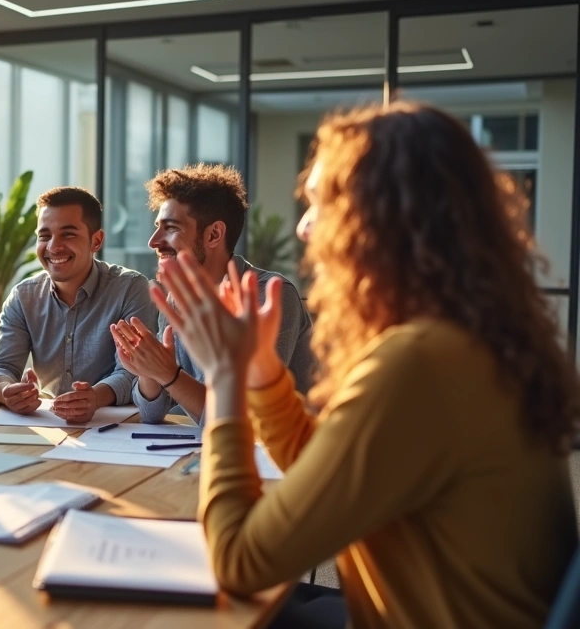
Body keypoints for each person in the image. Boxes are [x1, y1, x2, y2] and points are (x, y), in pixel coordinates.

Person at [154, 101, 579, 628]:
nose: (306, 228)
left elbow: (241, 561)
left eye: (321, 204)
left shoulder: (420, 362)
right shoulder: (465, 340)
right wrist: (261, 371)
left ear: (381, 219)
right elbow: (319, 461)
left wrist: (224, 379)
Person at [110, 164, 314, 424]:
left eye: (170, 228)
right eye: (157, 226)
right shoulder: (177, 298)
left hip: (273, 455)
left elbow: (242, 418)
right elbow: (151, 414)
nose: (153, 241)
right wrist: (149, 371)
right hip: (198, 448)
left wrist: (169, 374)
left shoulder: (269, 297)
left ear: (214, 234)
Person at [0, 186, 155, 424]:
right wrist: (7, 392)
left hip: (116, 428)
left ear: (96, 241)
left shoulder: (130, 288)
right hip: (47, 425)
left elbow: (135, 371)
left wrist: (94, 397)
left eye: (68, 234)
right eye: (44, 236)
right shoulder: (24, 296)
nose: (54, 247)